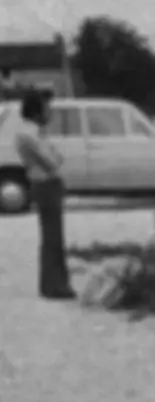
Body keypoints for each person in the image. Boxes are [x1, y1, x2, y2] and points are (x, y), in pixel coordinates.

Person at [15, 90, 76, 300]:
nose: (49, 112)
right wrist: (55, 158)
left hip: (45, 183)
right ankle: (55, 285)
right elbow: (51, 160)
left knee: (52, 236)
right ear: (36, 111)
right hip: (46, 184)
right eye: (46, 107)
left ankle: (52, 283)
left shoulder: (34, 132)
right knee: (53, 238)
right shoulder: (31, 134)